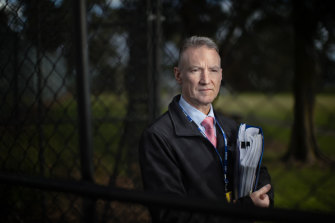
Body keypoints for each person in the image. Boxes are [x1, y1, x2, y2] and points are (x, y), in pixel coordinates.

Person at [139, 36, 274, 223]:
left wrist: (266, 197)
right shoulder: (158, 137)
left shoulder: (233, 129)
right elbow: (171, 216)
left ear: (221, 75)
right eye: (196, 70)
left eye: (213, 70)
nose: (206, 80)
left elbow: (259, 174)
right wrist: (244, 209)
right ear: (178, 75)